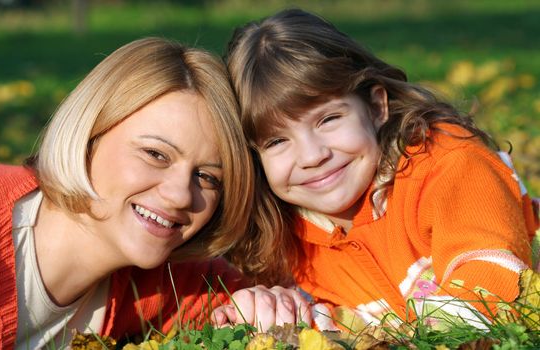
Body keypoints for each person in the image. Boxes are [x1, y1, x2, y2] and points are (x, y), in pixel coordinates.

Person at [0, 37, 308, 349]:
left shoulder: (161, 281)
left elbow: (290, 304)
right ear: (89, 137)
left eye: (207, 177)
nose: (180, 195)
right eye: (155, 154)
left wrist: (265, 305)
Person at [219, 9, 540, 331]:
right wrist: (279, 313)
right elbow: (341, 322)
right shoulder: (282, 235)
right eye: (276, 141)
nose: (312, 156)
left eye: (328, 119)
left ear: (376, 107)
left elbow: (489, 285)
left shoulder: (451, 164)